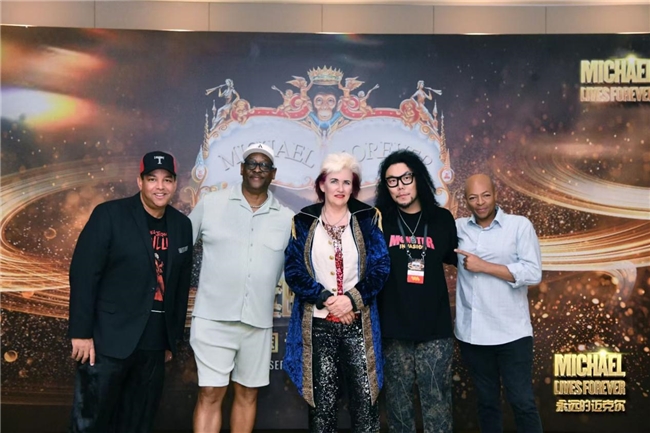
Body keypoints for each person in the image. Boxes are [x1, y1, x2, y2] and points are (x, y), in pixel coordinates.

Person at [68, 150, 193, 433]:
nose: (160, 186)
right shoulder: (110, 215)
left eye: (167, 179)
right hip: (107, 340)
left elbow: (180, 286)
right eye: (152, 179)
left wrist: (170, 339)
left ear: (175, 184)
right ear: (140, 182)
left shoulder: (182, 225)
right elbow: (84, 274)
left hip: (154, 344)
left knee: (138, 423)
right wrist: (81, 332)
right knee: (91, 421)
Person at [189, 142, 293, 433]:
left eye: (264, 165)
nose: (257, 169)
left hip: (257, 324)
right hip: (212, 320)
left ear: (273, 173)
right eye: (252, 163)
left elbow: (296, 271)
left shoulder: (286, 218)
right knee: (210, 393)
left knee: (248, 394)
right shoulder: (211, 203)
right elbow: (180, 249)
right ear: (241, 168)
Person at [283, 153, 390, 433]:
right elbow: (294, 270)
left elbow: (380, 268)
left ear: (353, 187)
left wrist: (351, 301)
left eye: (346, 182)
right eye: (334, 181)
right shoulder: (304, 220)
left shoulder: (367, 218)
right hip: (319, 325)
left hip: (359, 324)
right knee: (322, 407)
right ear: (322, 185)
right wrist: (329, 301)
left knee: (365, 403)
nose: (340, 188)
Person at [375, 150, 458, 433]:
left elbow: (461, 259)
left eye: (406, 178)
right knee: (398, 408)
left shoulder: (442, 219)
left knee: (438, 405)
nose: (400, 186)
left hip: (435, 329)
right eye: (392, 181)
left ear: (418, 178)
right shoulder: (379, 221)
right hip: (393, 329)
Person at [455, 174, 543, 433]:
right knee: (487, 404)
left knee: (522, 402)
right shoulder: (458, 228)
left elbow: (533, 273)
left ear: (496, 194)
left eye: (485, 195)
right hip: (473, 334)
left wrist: (484, 266)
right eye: (473, 197)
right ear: (466, 200)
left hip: (512, 333)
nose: (480, 202)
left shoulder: (519, 226)